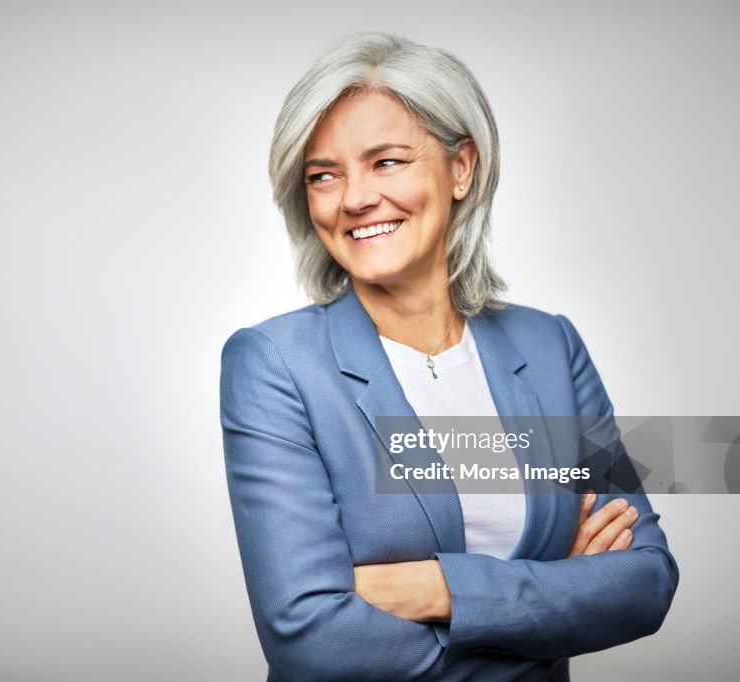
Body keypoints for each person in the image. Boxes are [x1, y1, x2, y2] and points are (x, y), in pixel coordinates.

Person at [219, 32, 677, 681]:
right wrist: (548, 603)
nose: (353, 198)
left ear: (462, 167)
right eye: (325, 174)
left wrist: (438, 590)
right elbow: (310, 639)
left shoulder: (550, 347)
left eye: (387, 161)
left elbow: (645, 580)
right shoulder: (273, 363)